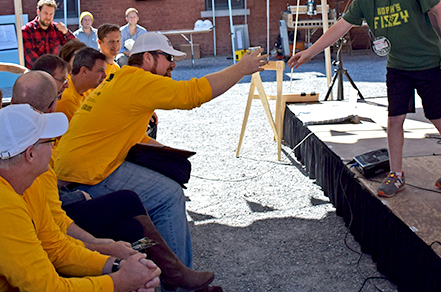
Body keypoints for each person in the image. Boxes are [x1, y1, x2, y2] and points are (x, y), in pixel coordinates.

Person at [55, 32, 267, 271]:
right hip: (85, 176)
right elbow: (192, 94)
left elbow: (128, 133)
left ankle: (164, 270)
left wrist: (170, 154)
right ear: (147, 58)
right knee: (168, 195)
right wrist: (240, 69)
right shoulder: (139, 81)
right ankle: (179, 279)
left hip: (74, 170)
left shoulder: (122, 77)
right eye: (167, 57)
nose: (173, 64)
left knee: (164, 187)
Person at [288, 0, 441, 198]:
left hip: (429, 63)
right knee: (394, 120)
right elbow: (340, 27)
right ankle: (396, 174)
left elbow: (440, 11)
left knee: (437, 116)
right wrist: (309, 52)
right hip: (397, 67)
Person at [0, 103, 161, 291]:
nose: (55, 144)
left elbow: (56, 248)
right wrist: (120, 282)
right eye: (50, 140)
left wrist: (116, 265)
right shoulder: (5, 206)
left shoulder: (32, 183)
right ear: (30, 154)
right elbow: (46, 288)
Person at [21, 0, 76, 68]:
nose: (48, 17)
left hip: (53, 72)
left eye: (51, 14)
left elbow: (75, 46)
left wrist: (66, 32)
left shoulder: (57, 29)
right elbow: (31, 57)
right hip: (35, 73)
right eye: (45, 13)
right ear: (38, 12)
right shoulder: (27, 30)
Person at [56, 47, 107, 122]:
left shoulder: (85, 89)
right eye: (100, 71)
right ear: (84, 71)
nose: (105, 75)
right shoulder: (67, 100)